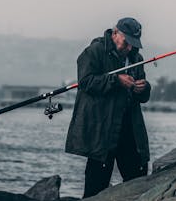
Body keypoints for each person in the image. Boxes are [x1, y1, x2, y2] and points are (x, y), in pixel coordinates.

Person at [65, 17, 151, 198]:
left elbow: (143, 98)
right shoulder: (93, 52)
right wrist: (116, 80)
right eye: (126, 42)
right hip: (102, 130)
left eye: (133, 44)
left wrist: (143, 88)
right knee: (95, 186)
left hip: (130, 129)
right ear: (115, 34)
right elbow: (86, 82)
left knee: (138, 182)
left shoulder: (136, 57)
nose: (129, 48)